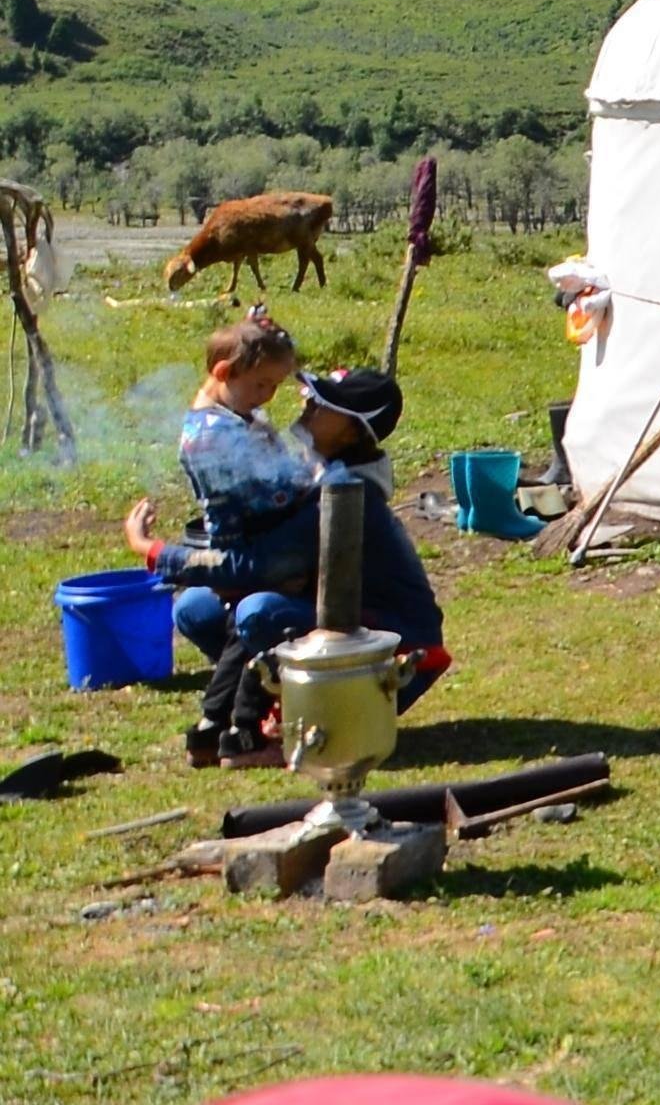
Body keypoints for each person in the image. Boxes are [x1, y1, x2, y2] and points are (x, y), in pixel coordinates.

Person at [120, 313, 320, 768]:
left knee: (241, 644)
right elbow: (273, 491)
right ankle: (238, 734)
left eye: (274, 386)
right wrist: (316, 475)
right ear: (223, 373)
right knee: (257, 638)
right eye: (260, 385)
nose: (267, 397)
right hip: (245, 549)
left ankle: (213, 732)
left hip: (251, 544)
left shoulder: (233, 417)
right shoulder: (212, 437)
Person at [292, 363, 450, 711]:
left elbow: (267, 564)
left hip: (402, 653)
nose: (308, 406)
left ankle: (318, 715)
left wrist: (155, 551)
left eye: (323, 405)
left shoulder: (347, 494)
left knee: (263, 611)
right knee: (200, 609)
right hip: (360, 629)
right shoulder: (321, 472)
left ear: (352, 433)